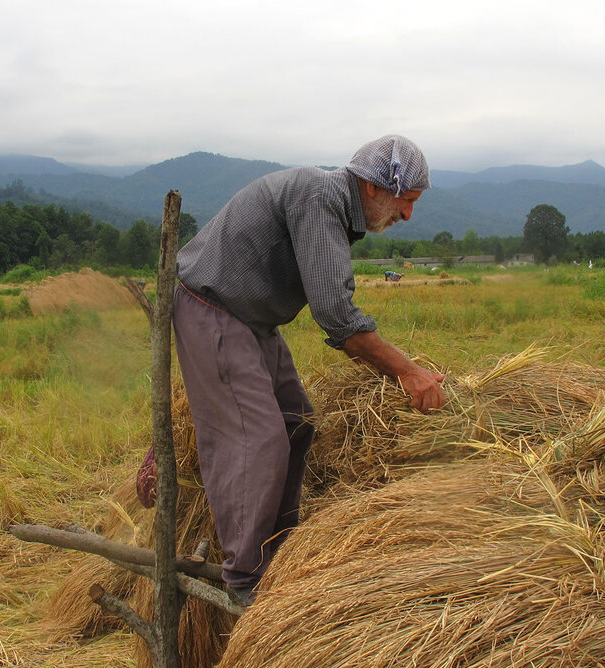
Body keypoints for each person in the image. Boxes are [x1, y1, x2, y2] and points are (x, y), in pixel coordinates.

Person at [173, 134, 447, 607]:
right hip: (213, 310)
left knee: (297, 423)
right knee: (258, 439)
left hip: (252, 320)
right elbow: (338, 318)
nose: (407, 215)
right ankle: (246, 578)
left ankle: (279, 551)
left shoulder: (334, 207)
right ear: (374, 187)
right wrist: (409, 373)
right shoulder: (320, 198)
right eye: (407, 201)